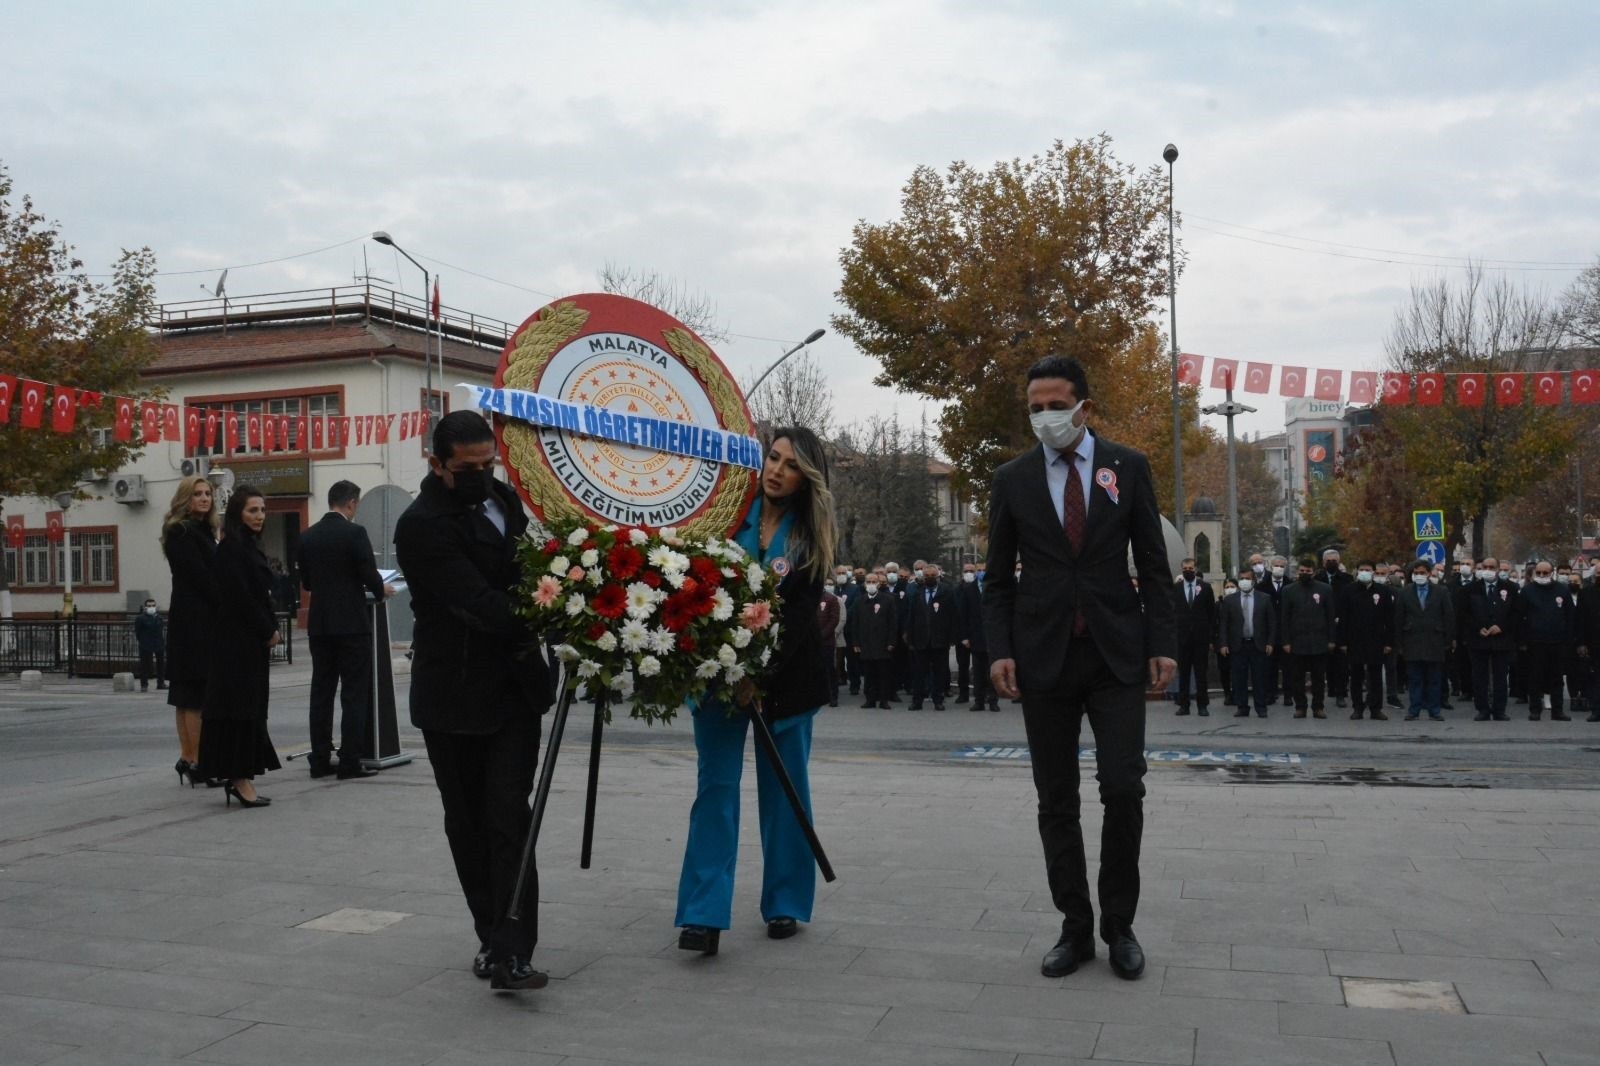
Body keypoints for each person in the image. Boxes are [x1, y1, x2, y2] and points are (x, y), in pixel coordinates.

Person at [984, 355, 1176, 982]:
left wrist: (1163, 642)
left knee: (1123, 786)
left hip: (1115, 654)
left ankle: (1119, 925)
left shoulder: (1127, 467)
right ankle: (1075, 927)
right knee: (1055, 799)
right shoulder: (1012, 479)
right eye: (1035, 407)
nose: (1045, 417)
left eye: (1056, 404)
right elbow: (995, 581)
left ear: (1084, 407)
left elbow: (1153, 564)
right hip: (1043, 659)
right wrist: (999, 650)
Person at [395, 411, 552, 992]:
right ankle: (490, 932)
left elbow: (534, 567)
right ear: (436, 464)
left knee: (509, 817)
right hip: (454, 697)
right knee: (468, 823)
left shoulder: (505, 501)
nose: (483, 475)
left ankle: (514, 948)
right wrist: (551, 611)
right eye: (469, 468)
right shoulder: (420, 526)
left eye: (490, 464)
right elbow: (478, 603)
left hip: (513, 692)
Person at [677, 426, 835, 955]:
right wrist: (727, 670)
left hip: (786, 682)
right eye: (773, 458)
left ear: (805, 477)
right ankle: (702, 913)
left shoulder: (811, 537)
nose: (776, 471)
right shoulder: (722, 514)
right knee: (715, 792)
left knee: (786, 794)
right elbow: (695, 588)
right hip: (717, 679)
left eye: (790, 465)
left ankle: (786, 903)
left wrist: (757, 677)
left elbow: (795, 620)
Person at [296, 479, 393, 780]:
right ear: (351, 503)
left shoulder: (307, 537)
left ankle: (320, 760)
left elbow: (308, 583)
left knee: (321, 693)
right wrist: (381, 590)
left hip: (320, 625)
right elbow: (367, 573)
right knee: (353, 693)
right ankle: (350, 761)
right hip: (352, 624)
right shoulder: (355, 533)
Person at [198, 485, 283, 808]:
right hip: (236, 645)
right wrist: (267, 630)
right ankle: (238, 779)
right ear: (237, 514)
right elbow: (240, 598)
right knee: (239, 710)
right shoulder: (232, 548)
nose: (259, 516)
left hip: (248, 643)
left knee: (250, 710)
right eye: (252, 511)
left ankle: (243, 776)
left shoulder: (247, 545)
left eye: (262, 510)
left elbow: (258, 595)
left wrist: (269, 628)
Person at [161, 475, 220, 787]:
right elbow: (201, 576)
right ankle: (198, 759)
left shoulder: (201, 530)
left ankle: (189, 758)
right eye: (197, 494)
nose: (204, 498)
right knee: (193, 694)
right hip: (194, 619)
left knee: (187, 693)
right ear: (186, 498)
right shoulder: (182, 532)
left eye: (208, 493)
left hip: (192, 617)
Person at [1394, 559, 1453, 721]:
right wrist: (1399, 643)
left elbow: (1448, 616)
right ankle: (1414, 709)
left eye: (1422, 573)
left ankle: (1434, 710)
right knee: (1414, 679)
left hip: (1434, 640)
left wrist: (1448, 640)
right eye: (1416, 573)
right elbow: (1399, 618)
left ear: (1428, 573)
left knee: (1434, 679)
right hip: (1412, 641)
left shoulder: (1441, 592)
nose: (1419, 575)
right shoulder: (1404, 592)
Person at [1515, 561, 1573, 721]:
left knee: (1557, 679)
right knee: (1535, 678)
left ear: (1552, 573)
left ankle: (1558, 710)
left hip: (1557, 642)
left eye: (1545, 573)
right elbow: (1519, 617)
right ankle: (1535, 710)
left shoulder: (1562, 590)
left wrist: (1568, 640)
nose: (1541, 576)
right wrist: (1522, 641)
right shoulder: (1527, 591)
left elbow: (1570, 616)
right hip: (1535, 642)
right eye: (1538, 573)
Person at [1280, 558, 1336, 719]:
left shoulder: (1325, 589)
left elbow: (1330, 615)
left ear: (1313, 572)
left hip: (1319, 640)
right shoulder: (1288, 590)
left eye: (1308, 571)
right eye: (1302, 570)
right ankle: (1300, 707)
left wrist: (1332, 639)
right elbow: (1284, 618)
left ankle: (1318, 707)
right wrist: (1286, 641)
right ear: (1298, 571)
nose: (1305, 573)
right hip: (1297, 642)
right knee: (1297, 678)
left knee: (1319, 678)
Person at [1218, 566, 1276, 718]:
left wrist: (1270, 642)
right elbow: (1224, 623)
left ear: (1254, 580)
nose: (1244, 581)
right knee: (1239, 678)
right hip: (1238, 645)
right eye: (1242, 578)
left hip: (1258, 644)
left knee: (1260, 678)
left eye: (1247, 578)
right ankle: (1242, 706)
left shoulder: (1264, 598)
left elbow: (1271, 622)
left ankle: (1261, 707)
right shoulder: (1230, 600)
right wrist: (1223, 643)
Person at [1338, 561, 1393, 721]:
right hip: (1354, 640)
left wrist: (1389, 642)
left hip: (1377, 640)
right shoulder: (1349, 591)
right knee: (1356, 676)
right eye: (1361, 570)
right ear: (1356, 571)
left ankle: (1376, 708)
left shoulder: (1382, 591)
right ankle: (1357, 708)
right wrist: (1342, 642)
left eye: (1367, 570)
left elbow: (1389, 618)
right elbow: (1343, 618)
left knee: (1375, 676)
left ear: (1373, 572)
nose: (1364, 572)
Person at [1466, 556, 1518, 721]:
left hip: (1501, 639)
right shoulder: (1471, 589)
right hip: (1479, 639)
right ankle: (1482, 709)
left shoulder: (1510, 588)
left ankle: (1499, 710)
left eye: (1491, 567)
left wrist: (1502, 627)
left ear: (1497, 569)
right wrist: (1476, 628)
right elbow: (1463, 613)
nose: (1488, 570)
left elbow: (1516, 613)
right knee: (1479, 677)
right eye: (1485, 567)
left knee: (1501, 677)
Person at [902, 562, 954, 710]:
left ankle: (938, 700)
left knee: (939, 672)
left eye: (933, 576)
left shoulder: (946, 591)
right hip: (920, 639)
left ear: (938, 577)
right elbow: (911, 615)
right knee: (918, 672)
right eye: (927, 576)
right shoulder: (917, 593)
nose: (930, 578)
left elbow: (952, 615)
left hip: (940, 639)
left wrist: (951, 637)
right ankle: (917, 700)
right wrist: (909, 635)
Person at [1172, 558, 1215, 717]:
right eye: (1185, 568)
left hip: (1200, 638)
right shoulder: (1175, 588)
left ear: (1195, 569)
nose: (1188, 570)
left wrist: (1210, 638)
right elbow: (1172, 612)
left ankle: (1202, 705)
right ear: (1181, 569)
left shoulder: (1205, 587)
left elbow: (1211, 613)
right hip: (1182, 638)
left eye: (1191, 568)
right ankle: (1184, 705)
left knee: (1201, 673)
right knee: (1183, 673)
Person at [850, 570, 898, 708]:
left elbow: (893, 623)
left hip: (883, 643)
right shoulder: (860, 601)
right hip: (866, 644)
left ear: (878, 584)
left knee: (883, 673)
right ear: (865, 584)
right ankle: (870, 699)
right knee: (869, 674)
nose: (871, 584)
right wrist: (856, 642)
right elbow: (855, 623)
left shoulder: (888, 599)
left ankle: (883, 700)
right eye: (868, 582)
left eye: (874, 582)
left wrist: (891, 642)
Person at [955, 562, 996, 711]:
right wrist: (965, 636)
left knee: (991, 670)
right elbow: (963, 615)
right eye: (978, 570)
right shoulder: (968, 589)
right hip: (975, 636)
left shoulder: (994, 588)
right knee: (978, 670)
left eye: (983, 570)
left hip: (992, 636)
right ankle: (979, 701)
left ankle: (993, 700)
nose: (980, 572)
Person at [818, 579, 842, 709]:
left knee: (828, 669)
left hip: (826, 642)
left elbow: (834, 620)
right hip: (811, 642)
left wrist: (821, 636)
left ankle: (833, 696)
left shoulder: (831, 599)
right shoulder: (809, 598)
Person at [134, 598, 166, 694]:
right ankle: (144, 684)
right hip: (146, 644)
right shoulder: (140, 618)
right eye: (149, 605)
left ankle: (161, 683)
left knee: (161, 664)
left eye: (153, 605)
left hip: (158, 644)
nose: (151, 607)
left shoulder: (159, 618)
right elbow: (138, 632)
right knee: (145, 665)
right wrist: (142, 641)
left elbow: (160, 631)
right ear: (145, 607)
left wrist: (161, 642)